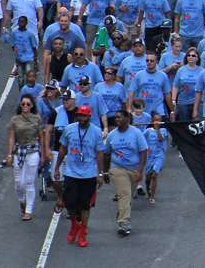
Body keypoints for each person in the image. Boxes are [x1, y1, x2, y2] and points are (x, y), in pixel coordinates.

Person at [54, 104, 105, 247]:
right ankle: (74, 224)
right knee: (69, 202)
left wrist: (100, 173)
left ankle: (82, 231)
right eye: (80, 115)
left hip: (88, 173)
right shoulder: (69, 129)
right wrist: (57, 167)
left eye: (84, 116)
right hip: (71, 171)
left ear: (89, 117)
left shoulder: (96, 132)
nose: (82, 118)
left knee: (85, 206)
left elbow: (99, 153)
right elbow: (63, 148)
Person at [103, 108, 147, 236]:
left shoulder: (136, 133)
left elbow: (143, 152)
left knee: (128, 196)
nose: (117, 120)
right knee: (124, 194)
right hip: (117, 168)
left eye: (120, 117)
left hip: (133, 168)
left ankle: (122, 212)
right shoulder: (112, 135)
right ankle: (124, 223)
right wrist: (105, 172)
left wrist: (140, 170)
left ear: (127, 119)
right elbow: (106, 154)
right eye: (116, 117)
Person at [5, 93, 48, 221]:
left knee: (29, 182)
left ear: (32, 106)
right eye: (23, 104)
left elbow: (41, 137)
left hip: (32, 151)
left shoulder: (37, 119)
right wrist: (9, 154)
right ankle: (22, 201)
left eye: (28, 104)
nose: (25, 106)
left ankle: (28, 210)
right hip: (19, 151)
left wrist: (43, 154)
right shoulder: (15, 119)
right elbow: (12, 137)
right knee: (18, 183)